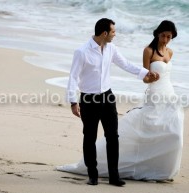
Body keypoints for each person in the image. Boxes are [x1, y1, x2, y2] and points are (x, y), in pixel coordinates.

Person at [58, 18, 159, 186]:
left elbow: (125, 64)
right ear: (104, 33)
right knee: (89, 137)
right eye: (113, 32)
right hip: (88, 99)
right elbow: (73, 77)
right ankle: (93, 175)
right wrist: (73, 102)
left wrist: (145, 73)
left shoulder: (111, 48)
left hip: (108, 97)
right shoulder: (82, 51)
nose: (115, 34)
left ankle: (114, 176)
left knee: (113, 136)